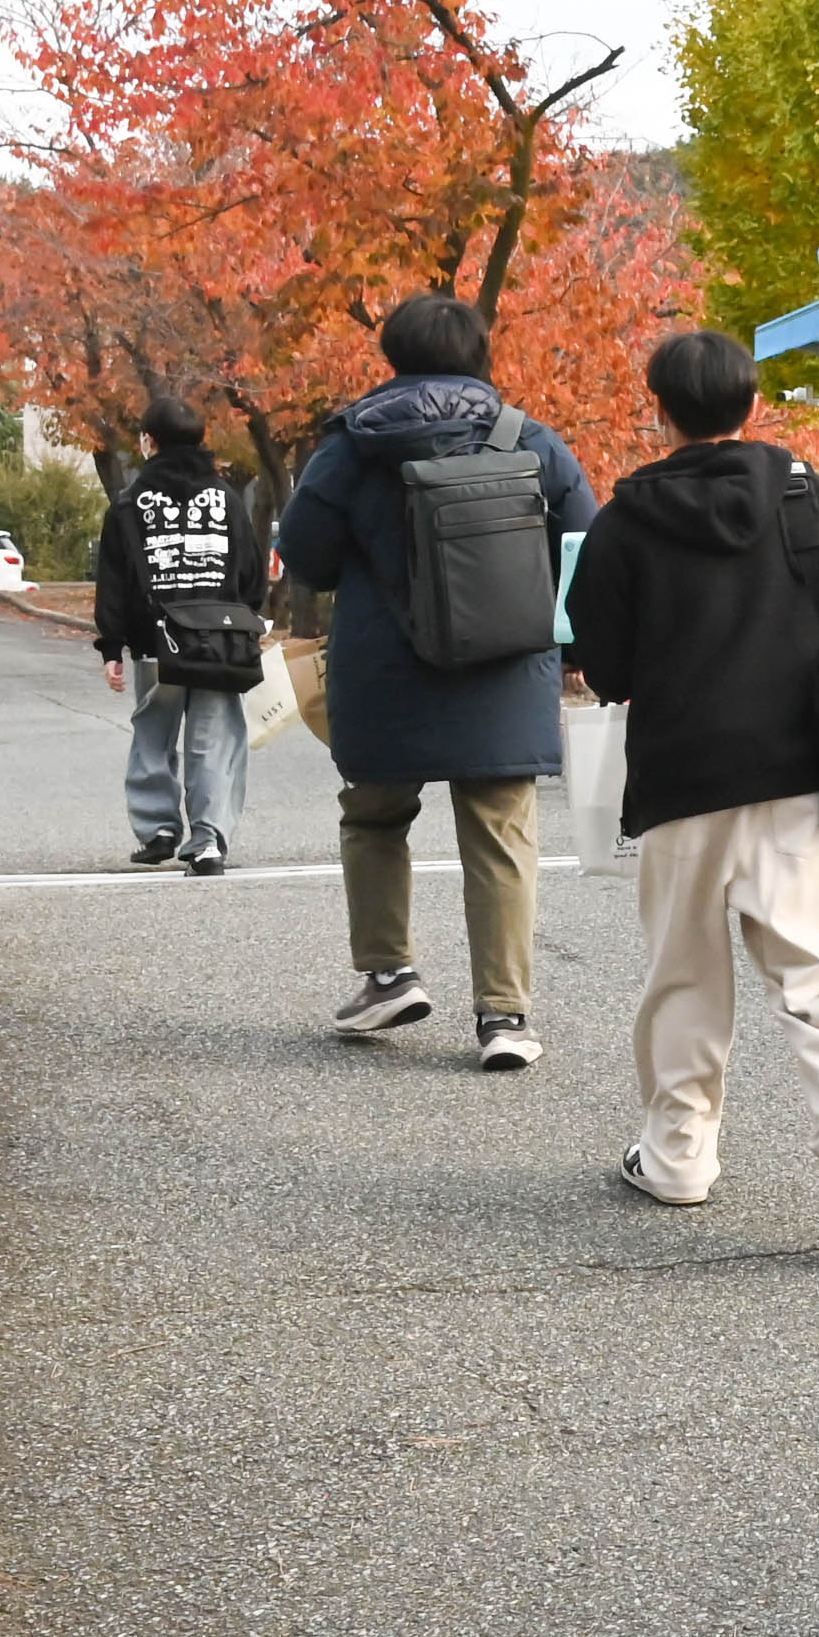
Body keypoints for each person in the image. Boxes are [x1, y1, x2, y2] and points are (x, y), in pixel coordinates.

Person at [568, 329, 819, 1254]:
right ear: (752, 405)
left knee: (683, 976)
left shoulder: (623, 518)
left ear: (660, 411)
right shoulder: (804, 492)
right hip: (797, 771)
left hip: (681, 778)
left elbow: (602, 666)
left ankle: (678, 1158)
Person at [277, 293, 600, 1068]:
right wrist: (577, 647)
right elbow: (588, 547)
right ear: (480, 354)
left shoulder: (350, 447)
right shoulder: (529, 439)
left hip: (383, 667)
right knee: (501, 835)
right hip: (505, 667)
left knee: (375, 816)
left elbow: (309, 558)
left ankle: (389, 973)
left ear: (392, 355)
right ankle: (504, 1018)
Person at [92, 396, 262, 874]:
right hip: (219, 641)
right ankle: (207, 841)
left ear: (149, 441)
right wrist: (248, 621)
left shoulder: (130, 503)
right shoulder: (225, 497)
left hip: (156, 641)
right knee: (215, 738)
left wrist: (112, 645)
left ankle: (158, 829)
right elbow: (248, 569)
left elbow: (115, 579)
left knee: (153, 730)